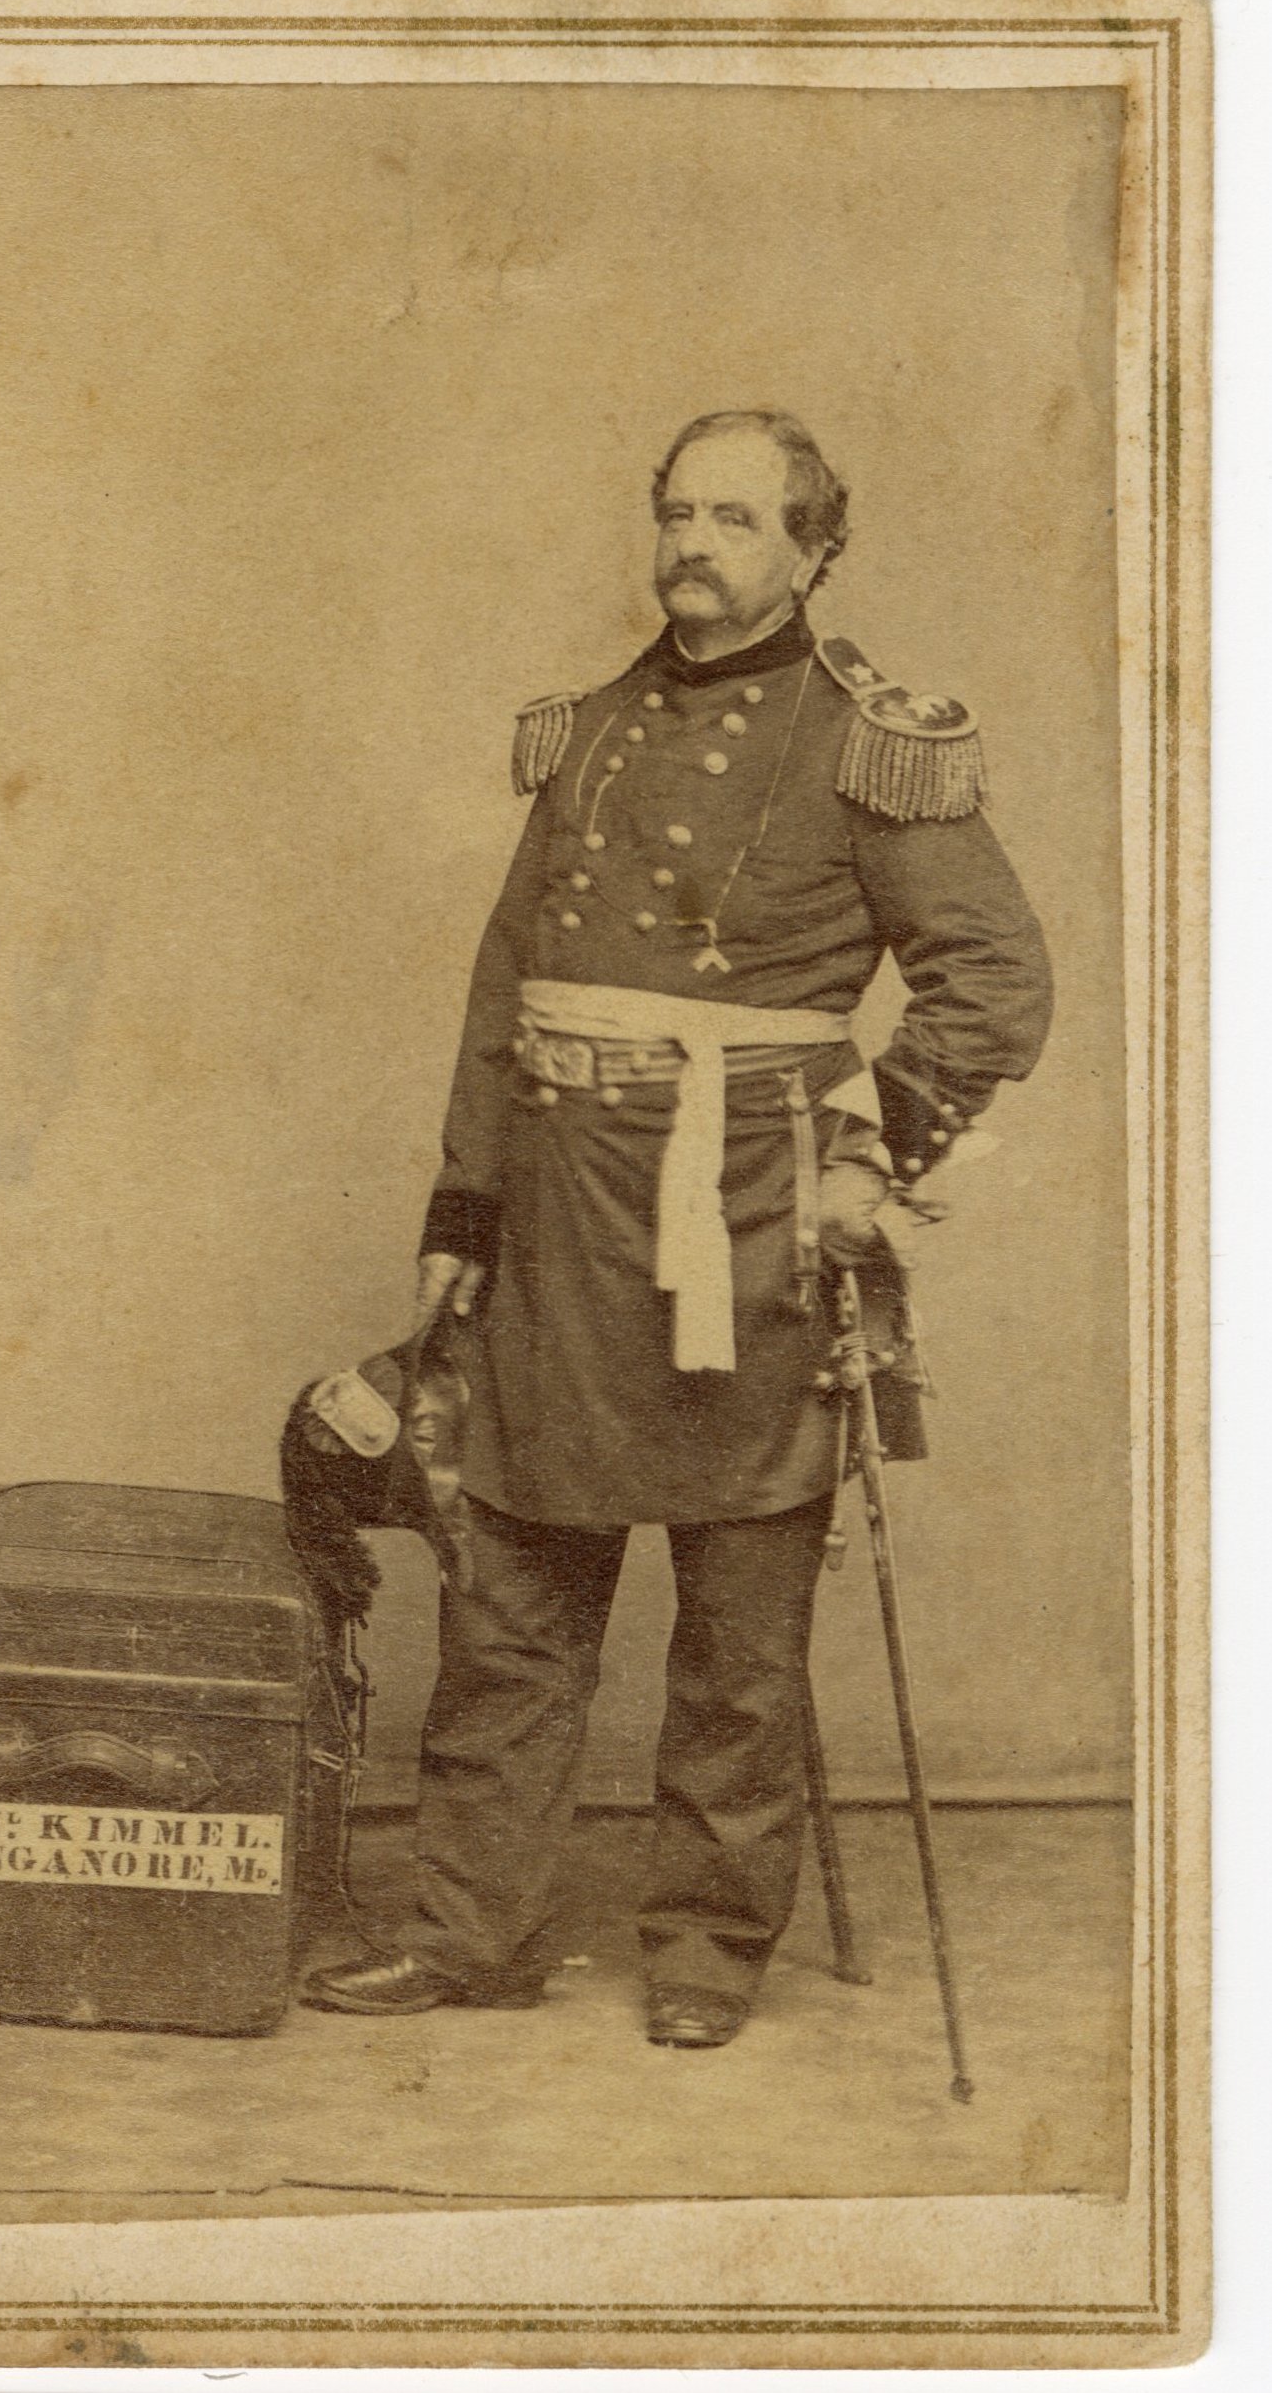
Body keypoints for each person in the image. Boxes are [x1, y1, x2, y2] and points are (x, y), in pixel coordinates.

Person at [303, 408, 1054, 2048]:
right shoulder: (588, 730)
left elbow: (996, 977)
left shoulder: (868, 741)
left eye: (735, 519)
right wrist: (465, 1196)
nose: (694, 546)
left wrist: (869, 1157)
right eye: (678, 514)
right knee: (508, 1588)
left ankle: (710, 1945)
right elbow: (508, 980)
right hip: (559, 1210)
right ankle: (470, 1932)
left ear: (813, 548)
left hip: (752, 1215)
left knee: (737, 1626)